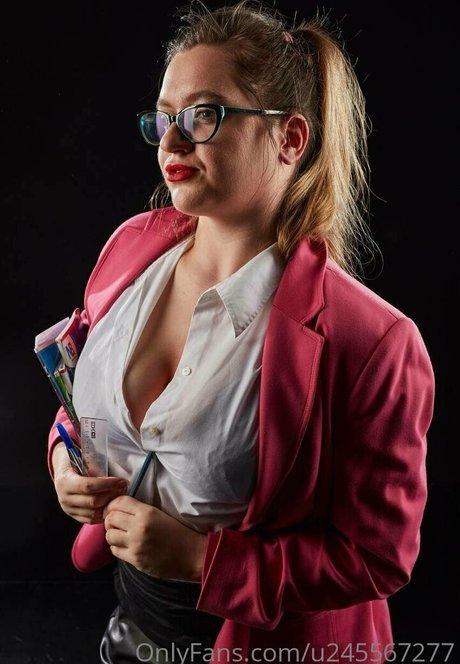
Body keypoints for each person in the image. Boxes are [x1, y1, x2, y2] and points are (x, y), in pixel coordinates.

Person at [47, 0, 435, 662]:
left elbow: (376, 557)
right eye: (164, 117)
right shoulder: (131, 250)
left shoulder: (377, 344)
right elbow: (80, 395)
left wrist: (202, 560)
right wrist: (64, 457)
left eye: (204, 115)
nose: (171, 143)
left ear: (290, 138)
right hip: (127, 632)